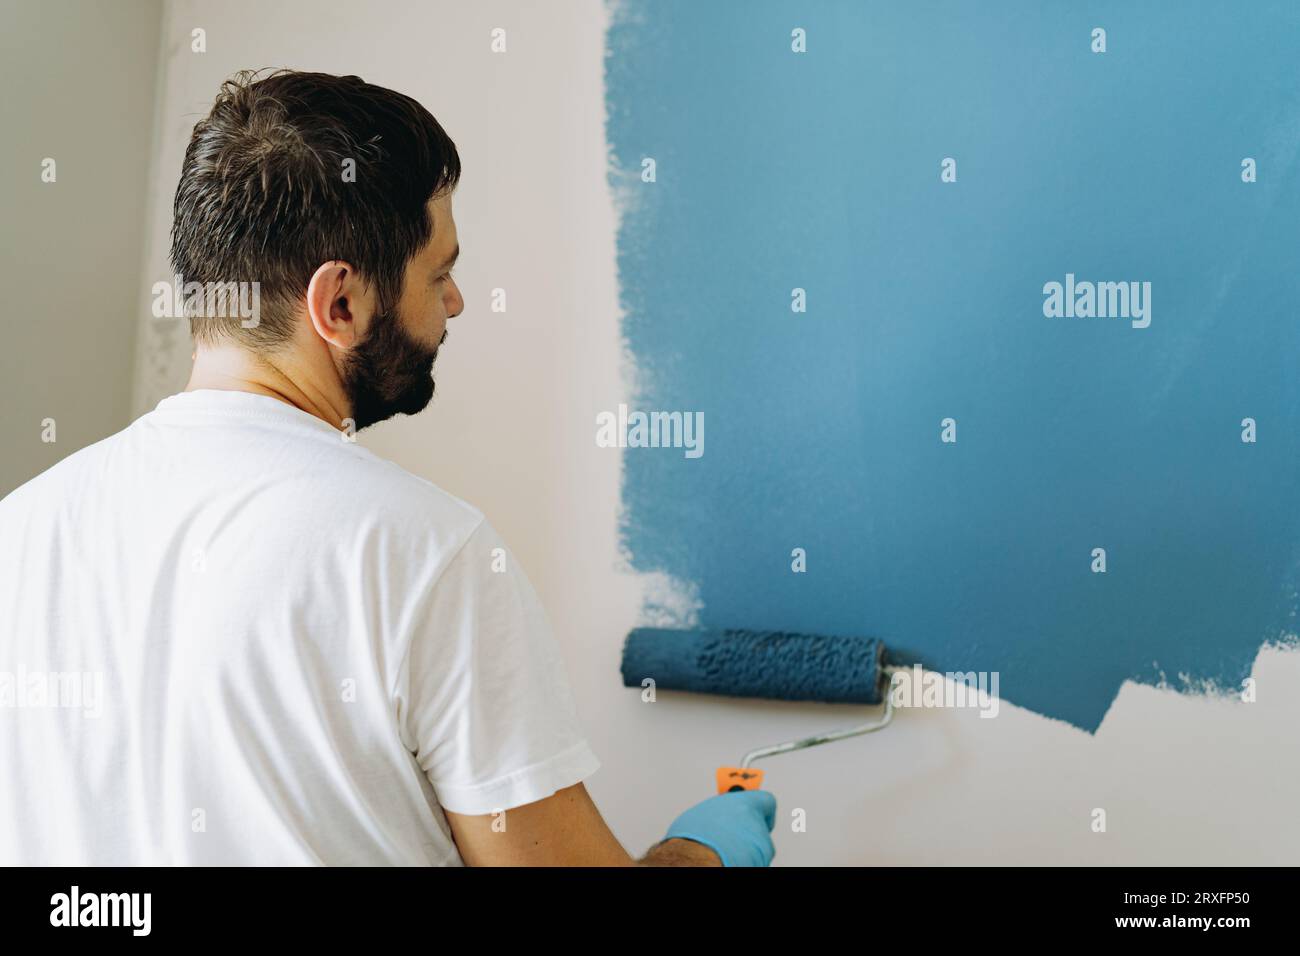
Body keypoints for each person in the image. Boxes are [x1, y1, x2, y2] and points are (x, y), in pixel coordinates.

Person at [0, 69, 776, 866]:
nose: (456, 303)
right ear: (339, 304)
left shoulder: (19, 530)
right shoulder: (423, 552)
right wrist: (703, 851)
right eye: (438, 275)